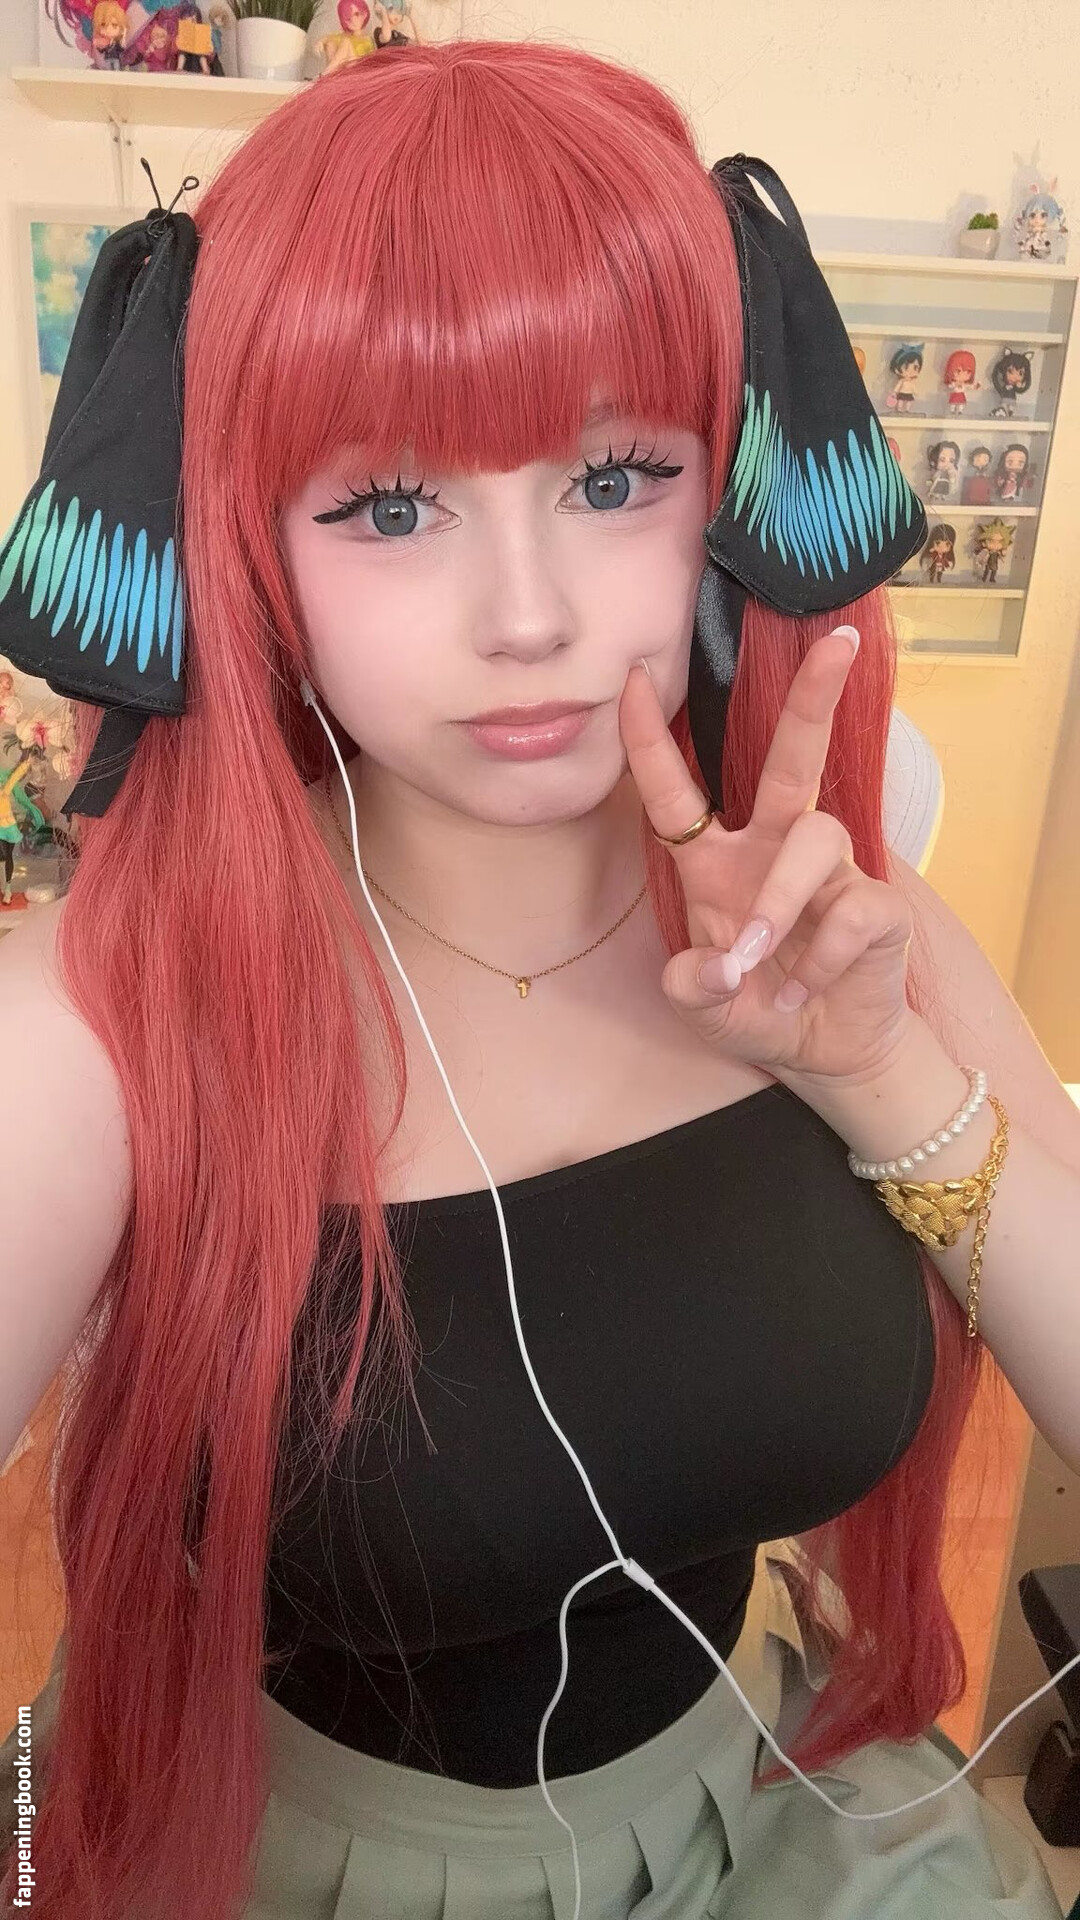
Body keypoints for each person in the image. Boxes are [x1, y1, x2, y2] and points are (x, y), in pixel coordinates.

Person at [0, 38, 1077, 1920]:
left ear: (719, 489)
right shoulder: (103, 1019)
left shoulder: (849, 922)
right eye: (387, 507)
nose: (529, 615)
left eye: (614, 476)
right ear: (249, 546)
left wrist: (878, 1074)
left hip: (775, 1805)